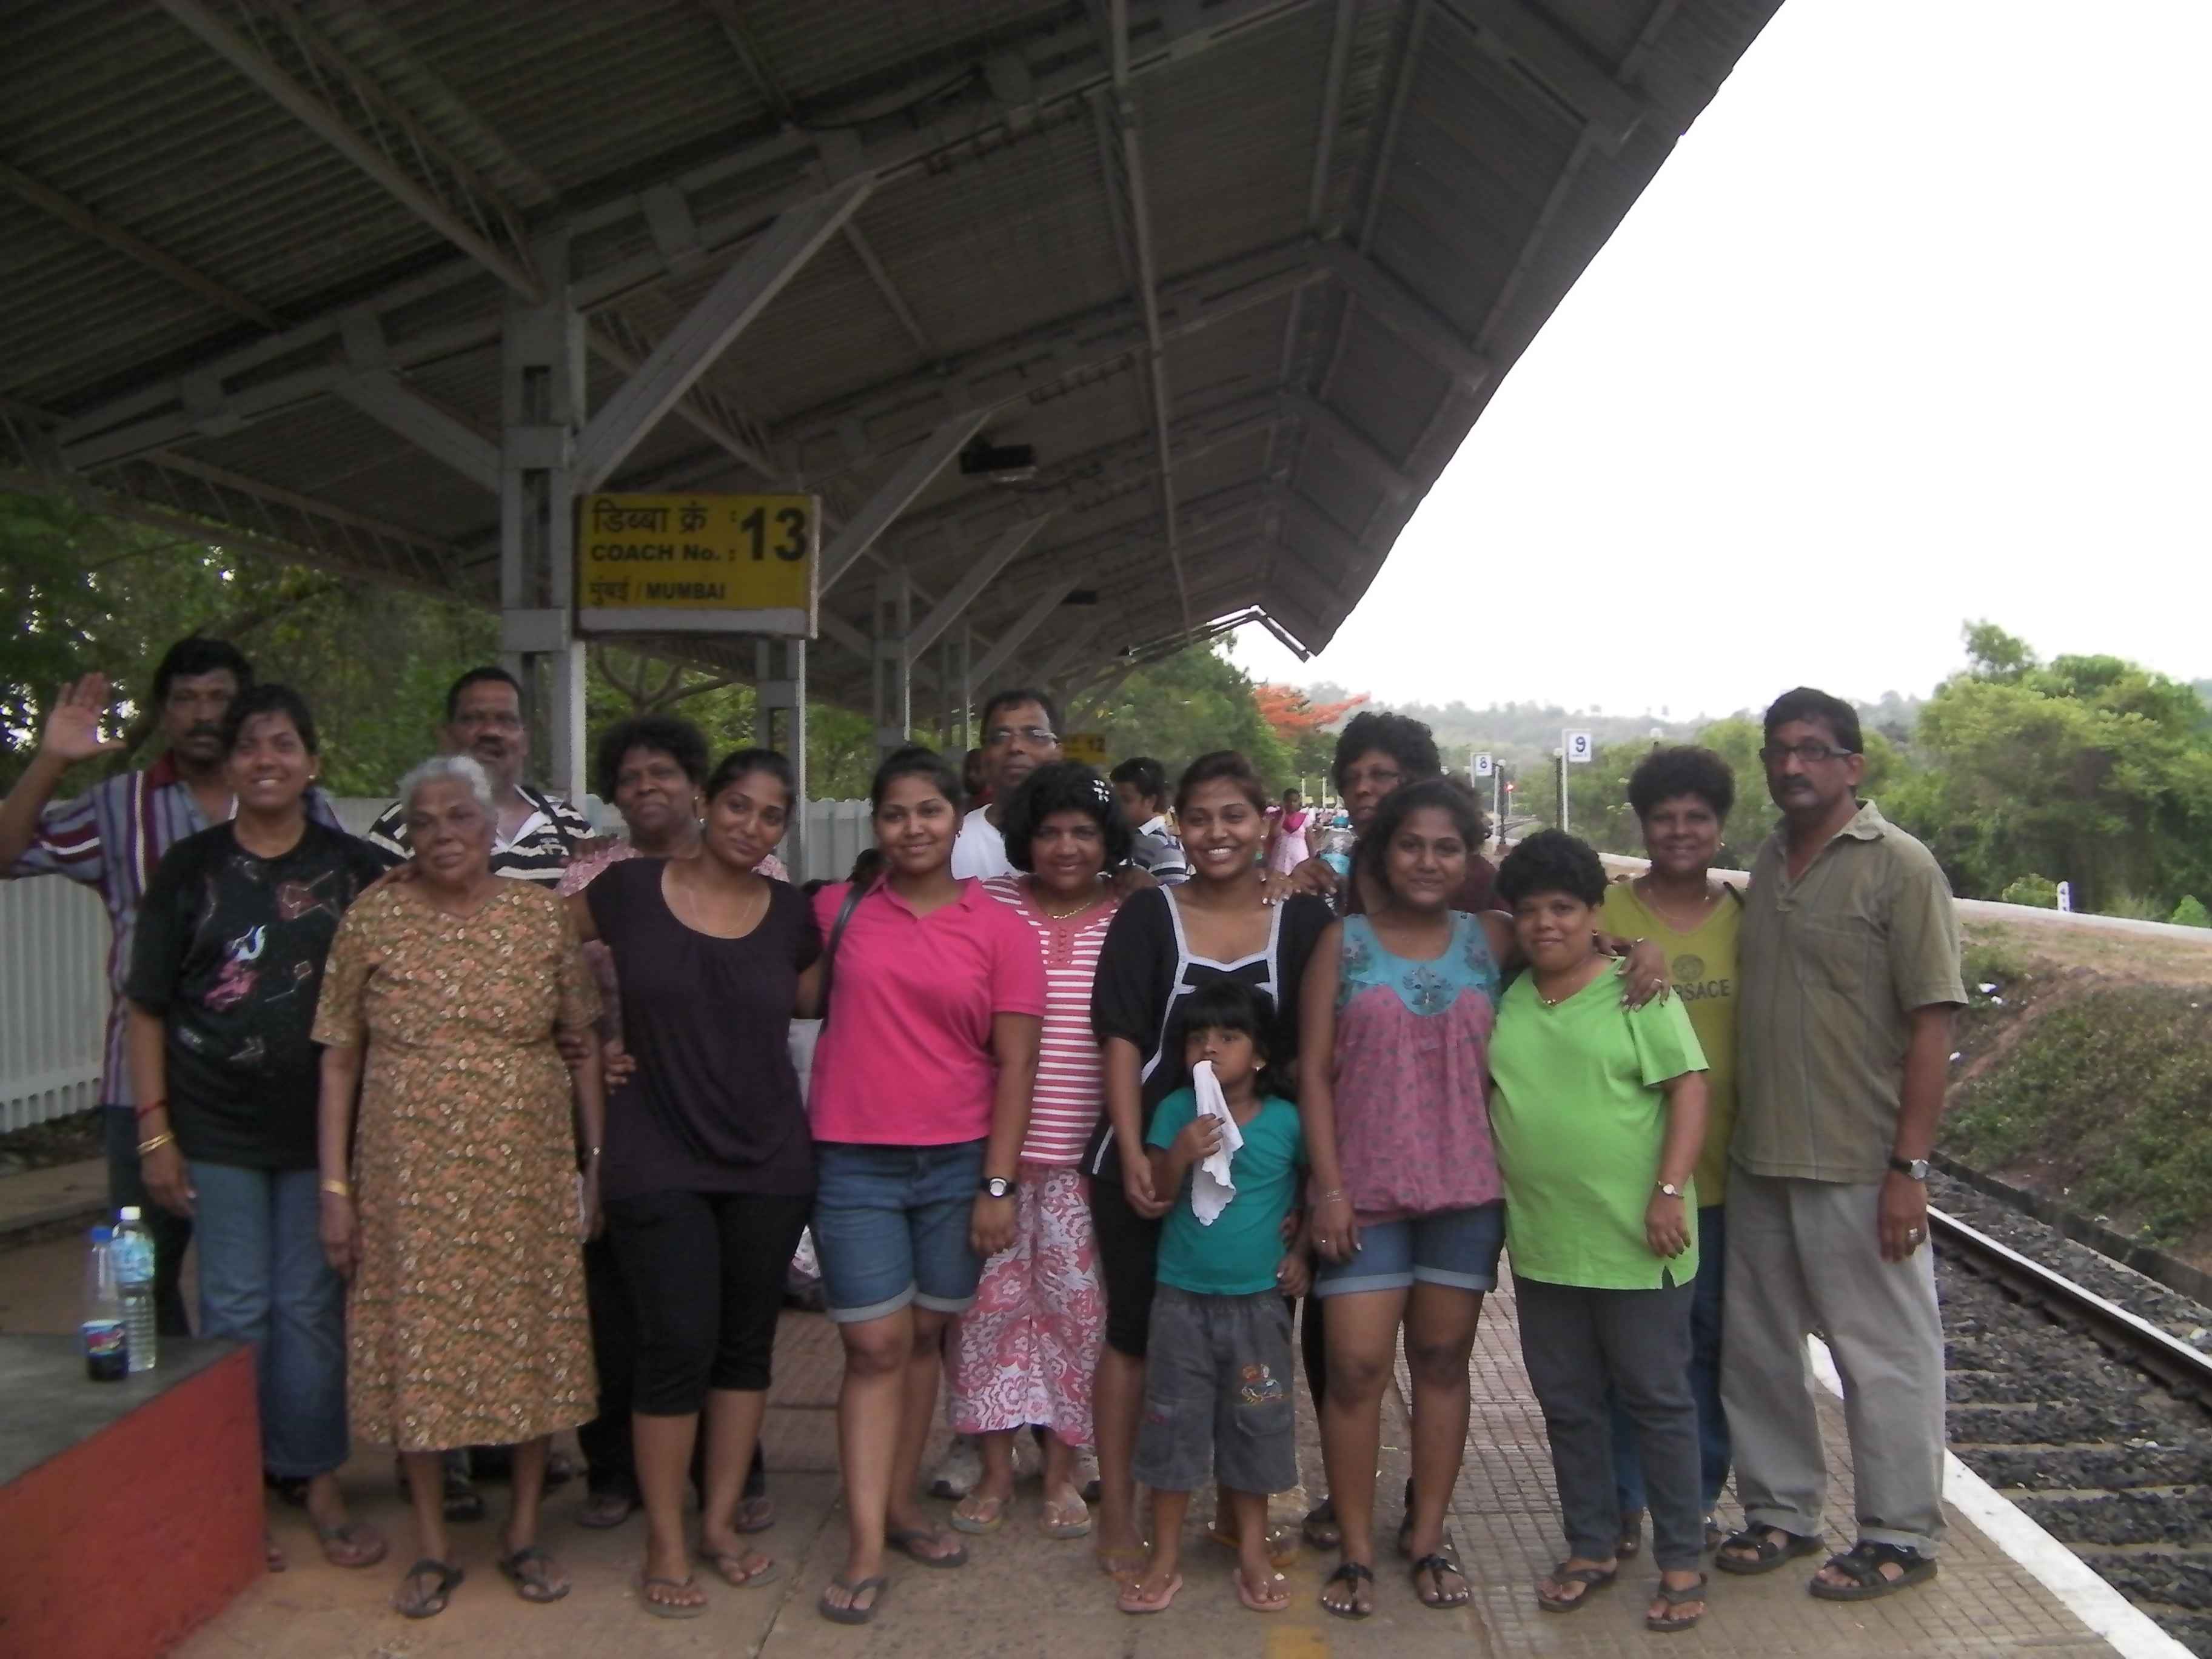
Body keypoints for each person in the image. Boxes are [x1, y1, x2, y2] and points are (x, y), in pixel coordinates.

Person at [314, 754, 605, 1618]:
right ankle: (435, 1547)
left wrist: (597, 1168)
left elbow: (583, 1041)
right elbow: (338, 1058)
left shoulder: (537, 919)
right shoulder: (374, 918)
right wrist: (335, 1188)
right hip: (409, 1176)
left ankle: (521, 1531)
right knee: (421, 1346)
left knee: (530, 1340)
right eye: (427, 821)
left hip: (524, 1167)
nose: (444, 835)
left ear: (490, 829)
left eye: (461, 818)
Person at [123, 685, 389, 1573]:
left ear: (312, 762)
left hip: (322, 1133)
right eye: (248, 746)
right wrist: (157, 1132)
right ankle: (233, 1482)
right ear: (231, 765)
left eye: (283, 743)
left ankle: (313, 1476)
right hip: (216, 1127)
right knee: (236, 1306)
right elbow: (148, 1007)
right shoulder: (190, 868)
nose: (265, 759)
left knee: (310, 1309)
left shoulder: (354, 871)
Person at [0, 638, 335, 1337]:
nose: (201, 714)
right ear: (163, 713)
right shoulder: (120, 807)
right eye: (184, 699)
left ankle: (267, 1438)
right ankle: (175, 1437)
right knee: (142, 1282)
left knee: (275, 1289)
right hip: (142, 1090)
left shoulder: (307, 809)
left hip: (271, 1095)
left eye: (218, 697)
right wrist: (53, 756)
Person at [1716, 688, 1963, 1601]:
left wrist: (1911, 1169)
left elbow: (1933, 1023)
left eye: (1814, 751)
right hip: (1760, 1159)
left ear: (1852, 765)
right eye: (1779, 750)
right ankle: (1782, 1512)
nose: (1792, 766)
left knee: (1884, 1355)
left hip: (1860, 1164)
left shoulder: (1901, 867)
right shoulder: (1770, 862)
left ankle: (1901, 1533)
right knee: (1760, 1352)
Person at [569, 747, 820, 1617]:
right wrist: (587, 1039)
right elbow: (530, 942)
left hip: (768, 1163)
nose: (752, 827)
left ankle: (718, 1526)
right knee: (673, 1349)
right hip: (656, 1154)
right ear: (706, 805)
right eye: (739, 807)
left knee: (743, 1349)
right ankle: (667, 1543)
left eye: (772, 816)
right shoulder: (628, 892)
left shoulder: (791, 913)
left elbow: (838, 1001)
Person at [804, 745, 1045, 1625]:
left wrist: (997, 1184)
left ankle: (902, 1504)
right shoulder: (839, 910)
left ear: (958, 818)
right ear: (878, 826)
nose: (914, 827)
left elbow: (1016, 1066)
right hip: (851, 1160)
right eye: (897, 814)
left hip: (956, 1167)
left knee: (919, 1343)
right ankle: (867, 1541)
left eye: (930, 811)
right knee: (871, 1348)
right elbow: (758, 980)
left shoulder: (1000, 929)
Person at [1087, 751, 1333, 1583]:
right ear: (1177, 826)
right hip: (1151, 1156)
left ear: (1265, 821)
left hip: (1258, 1181)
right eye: (1199, 818)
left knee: (1251, 1347)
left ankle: (1238, 1517)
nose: (1217, 834)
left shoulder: (1299, 922)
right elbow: (1120, 1039)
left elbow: (1309, 1056)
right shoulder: (1149, 915)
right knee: (1133, 1336)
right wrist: (1134, 1155)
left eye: (1235, 816)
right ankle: (1121, 1512)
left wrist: (1305, 1185)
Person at [1487, 830, 1712, 1635]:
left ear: (1593, 914)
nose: (1546, 924)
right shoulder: (1509, 996)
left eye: (1565, 908)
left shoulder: (1635, 990)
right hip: (1547, 1245)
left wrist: (1667, 1191)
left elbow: (1689, 1092)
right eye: (1531, 910)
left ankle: (1682, 1558)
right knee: (1569, 1403)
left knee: (1657, 1402)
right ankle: (1590, 1545)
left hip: (1637, 1241)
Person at [1296, 777, 1511, 1617]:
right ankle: (1354, 1547)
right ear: (1385, 854)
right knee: (1353, 1368)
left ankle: (1426, 1535)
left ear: (1470, 859)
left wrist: (1634, 951)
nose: (1429, 861)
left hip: (1465, 1192)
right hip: (1366, 1194)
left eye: (1447, 847)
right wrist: (1330, 1189)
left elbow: (1586, 936)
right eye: (1413, 845)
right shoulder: (1342, 945)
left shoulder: (1492, 938)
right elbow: (1313, 1071)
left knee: (1443, 1365)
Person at [947, 763, 1124, 1541]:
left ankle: (1059, 1471)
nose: (1065, 846)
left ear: (1107, 841)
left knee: (1077, 1319)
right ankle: (994, 1467)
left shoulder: (1134, 912)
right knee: (986, 1315)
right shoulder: (988, 906)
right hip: (994, 1156)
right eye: (1049, 831)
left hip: (1085, 1165)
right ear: (1025, 837)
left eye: (1084, 832)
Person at [556, 714, 711, 1533]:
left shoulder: (735, 865)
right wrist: (599, 1047)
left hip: (705, 1107)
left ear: (693, 782)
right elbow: (548, 965)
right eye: (631, 778)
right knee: (610, 1297)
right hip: (607, 1104)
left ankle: (717, 1470)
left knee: (695, 1303)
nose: (648, 788)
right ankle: (609, 1468)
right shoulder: (590, 872)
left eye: (663, 772)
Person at [1118, 982, 1309, 1616]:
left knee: (1256, 1422)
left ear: (1259, 1054)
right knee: (1171, 1426)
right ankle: (1164, 1552)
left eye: (1228, 1037)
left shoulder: (1286, 1119)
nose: (1210, 1048)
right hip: (1181, 1304)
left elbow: (1310, 1189)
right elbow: (1155, 1198)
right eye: (1198, 1038)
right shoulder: (1177, 1111)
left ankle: (1250, 1550)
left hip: (1257, 1308)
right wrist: (1177, 1156)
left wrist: (1301, 1250)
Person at [1602, 746, 1741, 1557]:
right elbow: (1544, 937)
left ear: (1720, 826)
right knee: (1626, 1353)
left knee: (1706, 1345)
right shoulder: (1606, 904)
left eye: (1697, 816)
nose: (1680, 831)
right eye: (1664, 817)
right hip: (1628, 1171)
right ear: (1643, 824)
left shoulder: (1748, 919)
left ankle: (1694, 1497)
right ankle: (1621, 1499)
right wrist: (1627, 946)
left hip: (1721, 1176)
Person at [363, 667, 591, 882]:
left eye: (506, 720)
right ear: (447, 738)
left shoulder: (568, 823)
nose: (490, 731)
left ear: (525, 741)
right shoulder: (401, 823)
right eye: (473, 719)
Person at [950, 688, 1063, 880]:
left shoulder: (1095, 843)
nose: (1015, 747)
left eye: (1035, 735)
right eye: (1000, 737)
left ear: (1058, 753)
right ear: (984, 756)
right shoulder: (952, 844)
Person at [1110, 756, 1188, 884]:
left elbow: (1173, 900)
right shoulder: (1121, 838)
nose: (1117, 805)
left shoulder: (1165, 848)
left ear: (1151, 800)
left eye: (1126, 799)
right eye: (1115, 798)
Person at [1265, 788, 1312, 877]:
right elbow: (1274, 834)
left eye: (1295, 801)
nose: (1292, 804)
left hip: (1301, 860)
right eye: (1289, 801)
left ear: (1299, 802)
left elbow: (1310, 843)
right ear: (1284, 802)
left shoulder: (1305, 818)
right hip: (1280, 861)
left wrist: (1314, 860)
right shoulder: (1276, 817)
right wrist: (1283, 815)